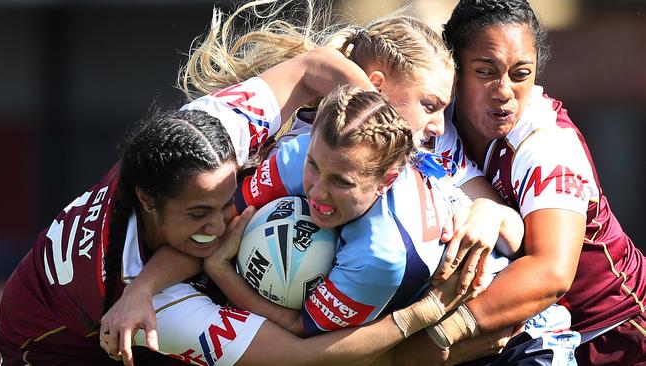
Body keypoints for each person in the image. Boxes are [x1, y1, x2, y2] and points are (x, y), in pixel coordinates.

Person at [100, 2, 577, 365]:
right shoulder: (297, 152)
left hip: (520, 342)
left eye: (342, 181)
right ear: (377, 89)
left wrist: (489, 216)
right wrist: (142, 287)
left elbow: (310, 343)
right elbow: (214, 231)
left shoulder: (385, 246)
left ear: (389, 176)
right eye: (430, 105)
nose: (439, 124)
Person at [0, 31, 468, 365]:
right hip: (43, 349)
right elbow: (306, 358)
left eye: (227, 200)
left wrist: (376, 127)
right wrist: (420, 319)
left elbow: (312, 67)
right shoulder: (159, 307)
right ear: (149, 202)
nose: (225, 221)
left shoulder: (208, 132)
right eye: (200, 213)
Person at [396, 0, 646, 364]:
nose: (503, 91)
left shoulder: (546, 145)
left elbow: (551, 272)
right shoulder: (435, 119)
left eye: (520, 74)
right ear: (456, 70)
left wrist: (435, 337)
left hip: (612, 335)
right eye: (485, 72)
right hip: (527, 335)